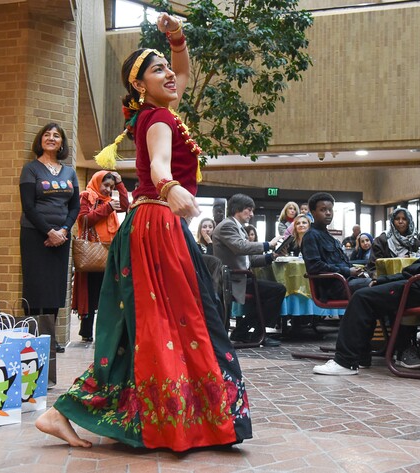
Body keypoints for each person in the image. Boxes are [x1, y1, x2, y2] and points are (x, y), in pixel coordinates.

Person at [36, 14, 252, 450]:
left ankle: (66, 413)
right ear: (140, 86)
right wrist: (171, 187)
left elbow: (185, 71)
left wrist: (175, 39)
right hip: (156, 226)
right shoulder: (157, 121)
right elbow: (157, 164)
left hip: (161, 226)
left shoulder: (165, 111)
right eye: (157, 70)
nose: (170, 74)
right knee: (166, 325)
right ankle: (86, 414)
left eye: (166, 67)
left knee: (166, 325)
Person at [313, 207, 420, 375]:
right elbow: (413, 270)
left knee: (361, 297)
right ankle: (361, 357)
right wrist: (381, 280)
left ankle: (344, 362)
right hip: (418, 285)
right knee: (366, 292)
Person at [19, 122, 80, 364]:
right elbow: (28, 206)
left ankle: (50, 337)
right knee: (35, 285)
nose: (51, 138)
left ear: (62, 143)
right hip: (35, 234)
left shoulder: (70, 172)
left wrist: (64, 229)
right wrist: (49, 231)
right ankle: (33, 336)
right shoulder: (30, 169)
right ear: (40, 140)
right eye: (47, 135)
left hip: (62, 237)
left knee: (55, 288)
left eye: (56, 136)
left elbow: (75, 205)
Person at [213, 193, 286, 347]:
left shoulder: (239, 228)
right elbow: (241, 248)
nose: (252, 214)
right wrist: (268, 244)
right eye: (249, 210)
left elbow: (249, 259)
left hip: (240, 278)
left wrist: (270, 256)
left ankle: (244, 331)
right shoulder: (227, 225)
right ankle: (255, 333)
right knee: (276, 290)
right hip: (231, 280)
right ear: (237, 209)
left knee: (274, 291)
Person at [72, 171, 129, 343]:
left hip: (110, 251)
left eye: (111, 187)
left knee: (109, 293)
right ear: (97, 182)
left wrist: (120, 185)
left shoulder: (109, 201)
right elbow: (84, 220)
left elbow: (126, 206)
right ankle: (86, 332)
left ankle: (106, 333)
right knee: (90, 292)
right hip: (92, 252)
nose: (108, 190)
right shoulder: (86, 196)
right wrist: (108, 208)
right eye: (106, 185)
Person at [301, 193, 371, 302]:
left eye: (330, 209)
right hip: (333, 287)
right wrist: (348, 271)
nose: (328, 213)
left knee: (383, 283)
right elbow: (315, 267)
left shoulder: (329, 237)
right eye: (323, 210)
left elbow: (342, 262)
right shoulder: (311, 236)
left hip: (346, 281)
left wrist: (356, 270)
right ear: (313, 213)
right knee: (378, 286)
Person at [368, 208, 420, 277]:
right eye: (397, 219)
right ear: (392, 221)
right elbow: (373, 266)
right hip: (384, 280)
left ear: (409, 222)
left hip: (408, 279)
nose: (400, 221)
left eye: (404, 219)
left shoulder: (414, 242)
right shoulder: (381, 240)